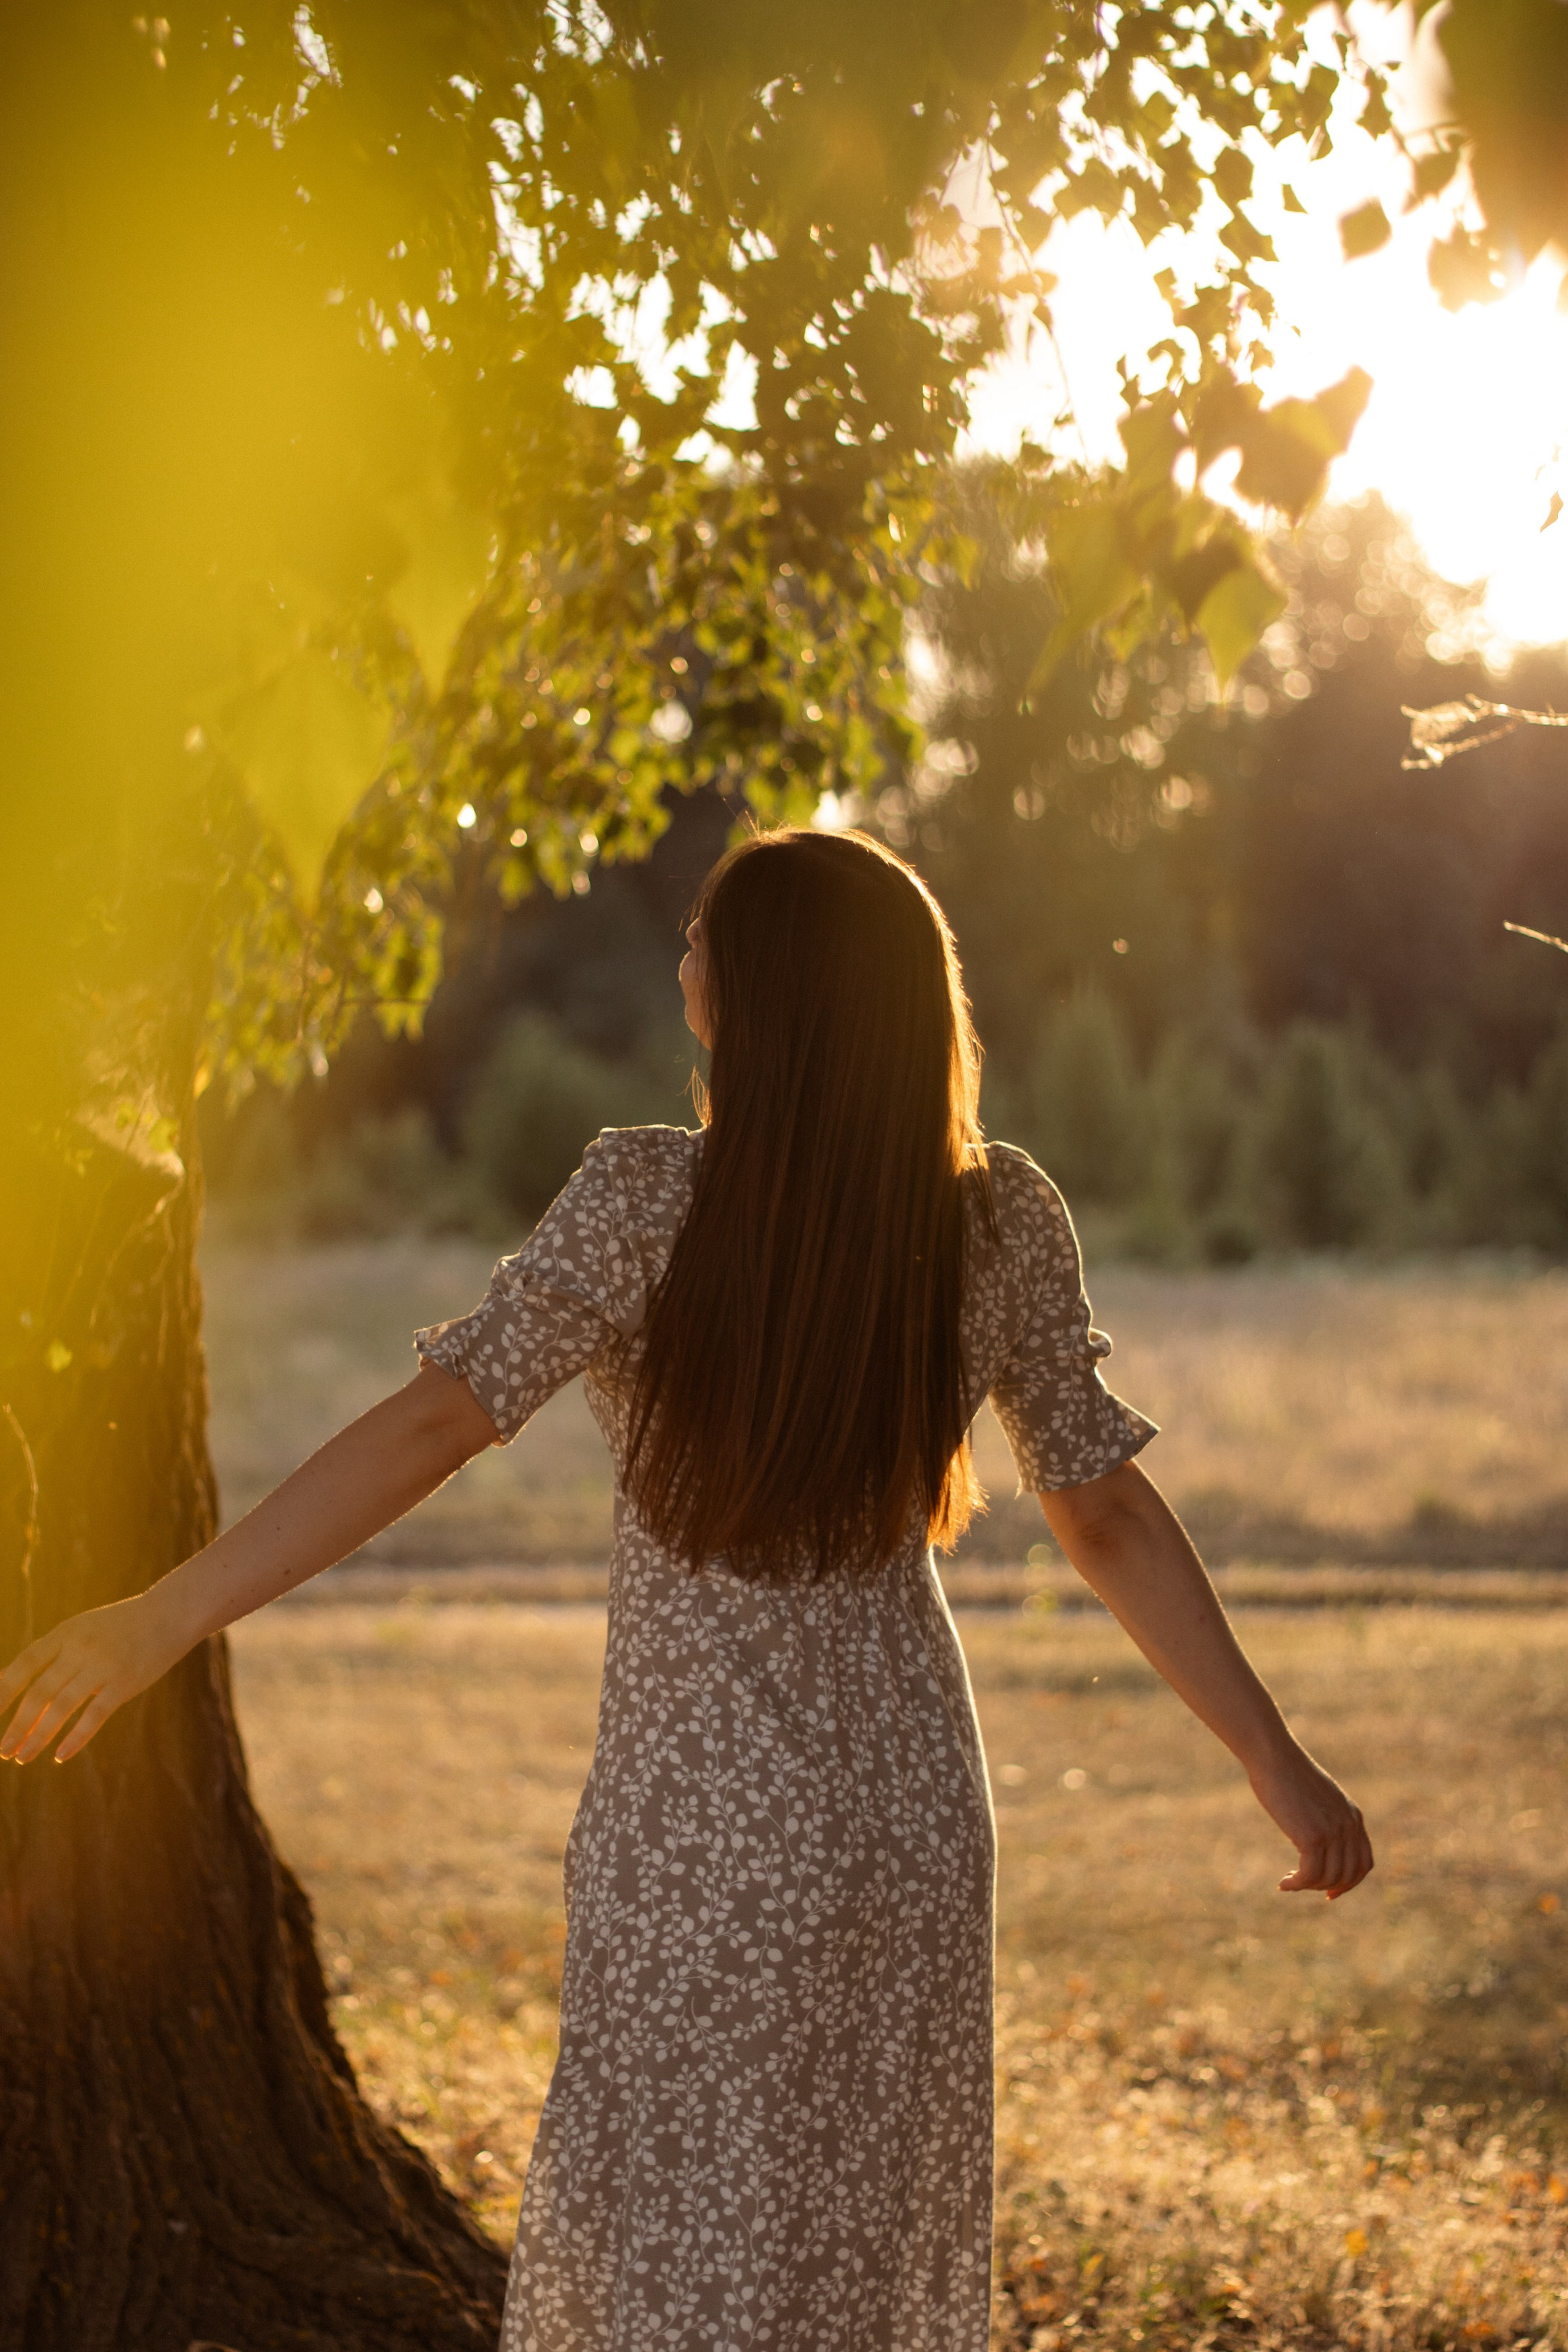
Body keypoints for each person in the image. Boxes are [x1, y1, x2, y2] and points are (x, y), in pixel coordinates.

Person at [0, 827, 1372, 2352]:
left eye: (703, 938)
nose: (681, 961)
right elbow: (1103, 1515)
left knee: (666, 2254)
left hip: (704, 1823)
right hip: (911, 1818)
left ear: (757, 991)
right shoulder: (998, 1217)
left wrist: (163, 1615)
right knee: (859, 2248)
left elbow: (434, 1426)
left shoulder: (646, 1199)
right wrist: (1276, 1763)